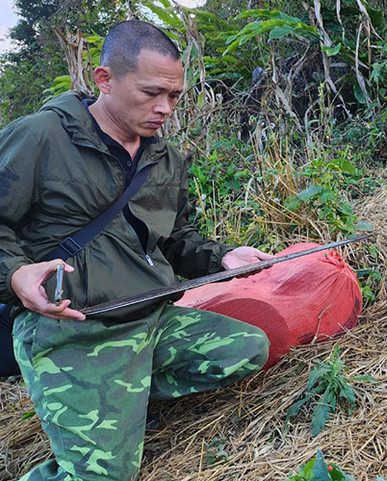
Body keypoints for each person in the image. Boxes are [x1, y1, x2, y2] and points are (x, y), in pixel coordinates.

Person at [0, 20, 272, 480]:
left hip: (148, 317)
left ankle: (125, 391)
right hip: (73, 329)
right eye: (151, 93)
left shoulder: (163, 159)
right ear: (105, 79)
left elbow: (174, 238)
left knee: (247, 348)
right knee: (106, 477)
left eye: (175, 96)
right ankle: (103, 406)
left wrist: (224, 258)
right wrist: (15, 275)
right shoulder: (41, 136)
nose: (165, 108)